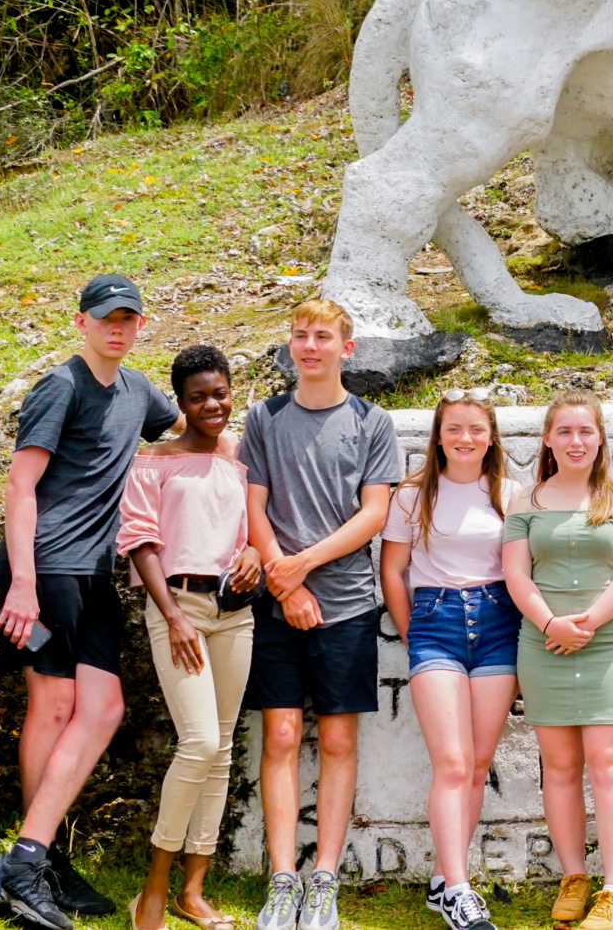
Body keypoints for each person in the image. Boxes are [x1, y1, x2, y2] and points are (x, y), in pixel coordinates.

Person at [0, 273, 179, 929]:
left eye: (128, 318)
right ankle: (36, 864)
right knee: (56, 704)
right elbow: (20, 487)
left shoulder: (138, 389)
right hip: (45, 566)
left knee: (103, 707)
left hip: (97, 570)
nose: (117, 327)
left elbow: (183, 428)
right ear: (82, 322)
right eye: (106, 317)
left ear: (139, 324)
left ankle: (30, 856)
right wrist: (20, 582)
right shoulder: (61, 386)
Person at [244, 300, 402, 930]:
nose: (311, 346)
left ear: (347, 348)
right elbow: (253, 507)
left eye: (323, 337)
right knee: (280, 736)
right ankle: (283, 880)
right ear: (290, 345)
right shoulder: (265, 417)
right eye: (301, 336)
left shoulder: (371, 421)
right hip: (278, 603)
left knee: (337, 739)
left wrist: (301, 568)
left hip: (348, 603)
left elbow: (374, 515)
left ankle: (325, 880)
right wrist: (284, 588)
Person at [118, 345, 264, 930]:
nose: (213, 405)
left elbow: (252, 531)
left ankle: (193, 892)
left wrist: (253, 550)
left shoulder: (238, 462)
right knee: (199, 743)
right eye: (199, 396)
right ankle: (153, 889)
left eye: (221, 393)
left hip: (235, 612)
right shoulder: (152, 462)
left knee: (223, 748)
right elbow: (139, 541)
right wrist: (173, 615)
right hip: (177, 608)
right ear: (179, 402)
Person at [502, 391, 613, 930]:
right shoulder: (526, 501)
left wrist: (586, 623)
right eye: (564, 432)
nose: (575, 441)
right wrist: (550, 624)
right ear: (547, 439)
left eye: (585, 431)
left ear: (601, 437)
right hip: (543, 645)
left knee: (609, 764)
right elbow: (516, 575)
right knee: (559, 767)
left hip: (609, 644)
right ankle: (573, 878)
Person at [380, 390, 519, 930]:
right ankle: (461, 891)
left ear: (491, 437)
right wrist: (414, 632)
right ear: (438, 436)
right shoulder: (414, 496)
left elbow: (521, 569)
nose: (465, 438)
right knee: (454, 764)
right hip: (435, 623)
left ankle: (445, 876)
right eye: (455, 428)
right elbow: (394, 571)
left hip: (498, 623)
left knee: (479, 764)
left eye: (476, 429)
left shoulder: (511, 493)